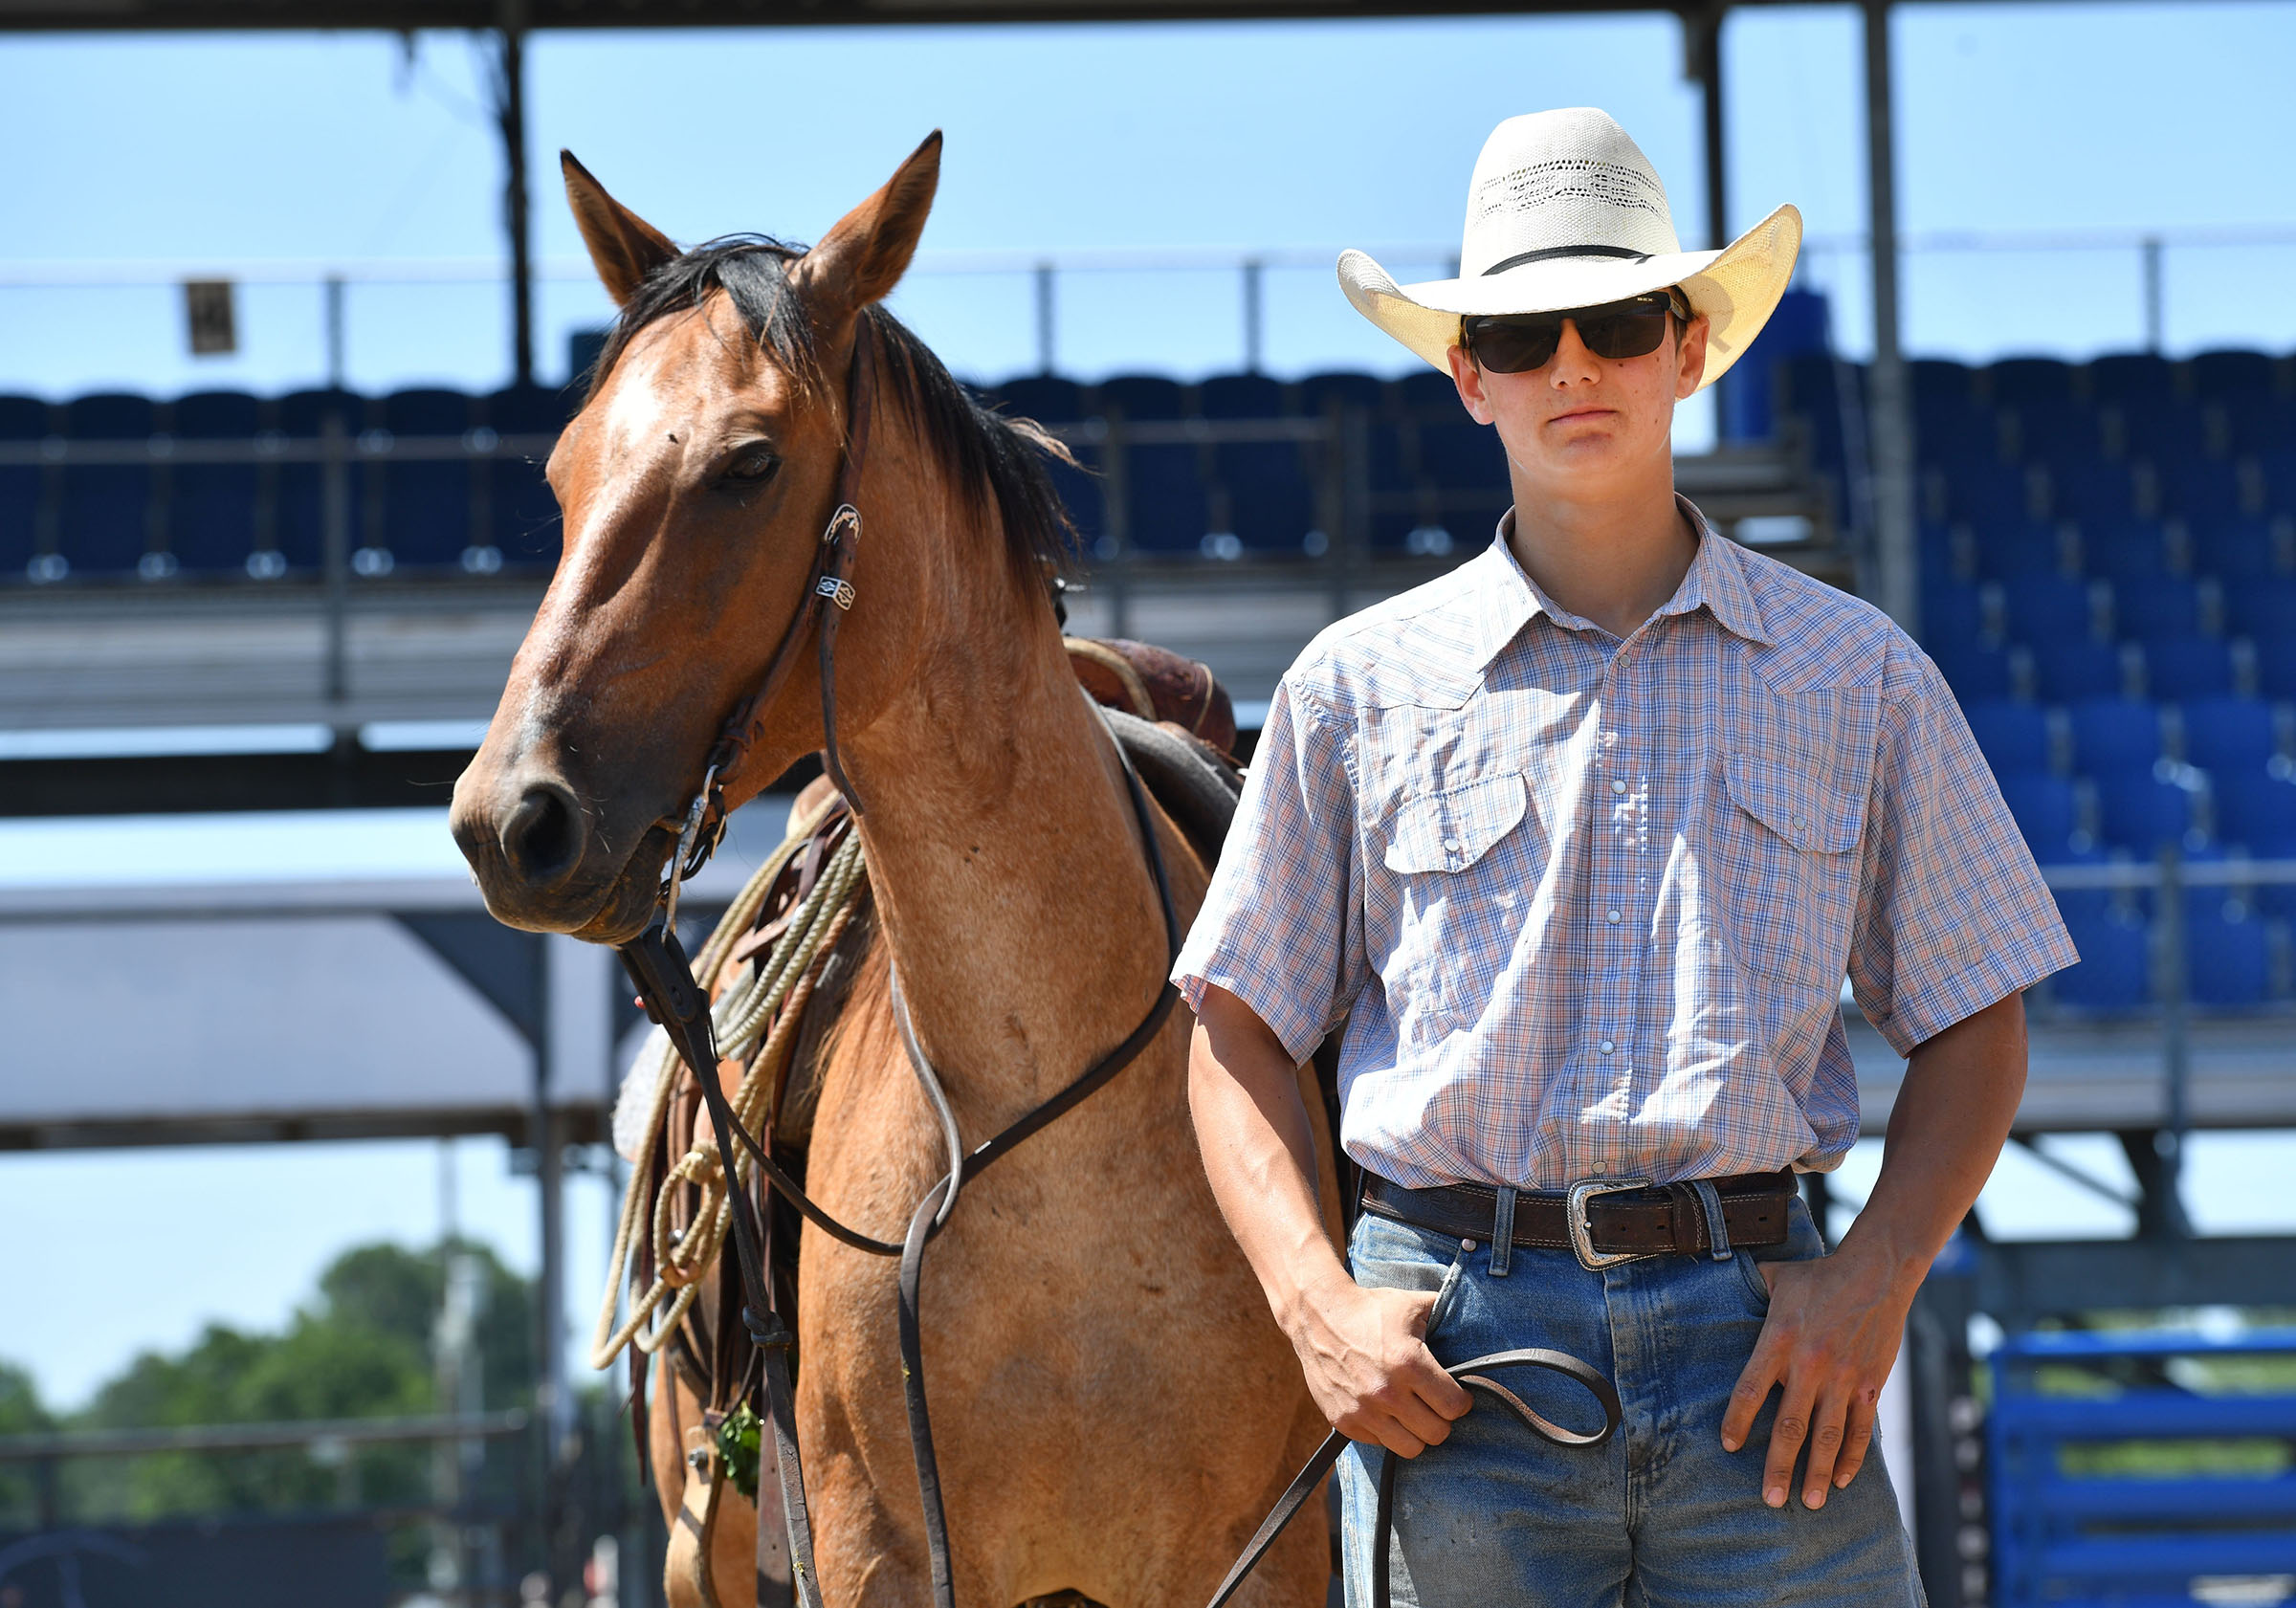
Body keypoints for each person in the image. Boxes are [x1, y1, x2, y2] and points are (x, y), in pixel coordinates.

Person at [1173, 107, 2075, 1605]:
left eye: (1614, 318)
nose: (1573, 363)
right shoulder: (1352, 687)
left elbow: (1980, 1017)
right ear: (1469, 373)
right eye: (1524, 331)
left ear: (1689, 344)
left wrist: (1877, 1278)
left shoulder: (1861, 675)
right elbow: (1235, 1034)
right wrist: (1313, 1300)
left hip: (1772, 1361)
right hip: (1462, 1375)